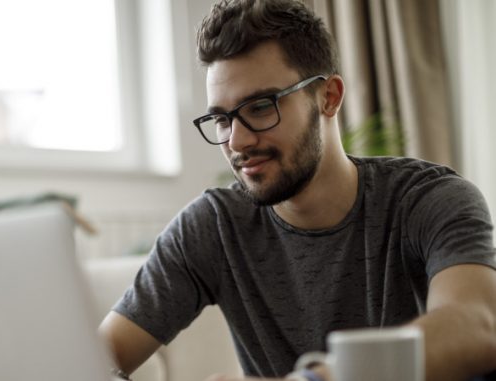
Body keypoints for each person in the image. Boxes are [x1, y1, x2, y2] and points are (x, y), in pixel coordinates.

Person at [99, 0, 496, 380]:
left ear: (329, 97)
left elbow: (477, 325)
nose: (236, 142)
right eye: (221, 119)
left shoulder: (428, 199)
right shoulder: (213, 227)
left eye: (259, 107)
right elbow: (99, 357)